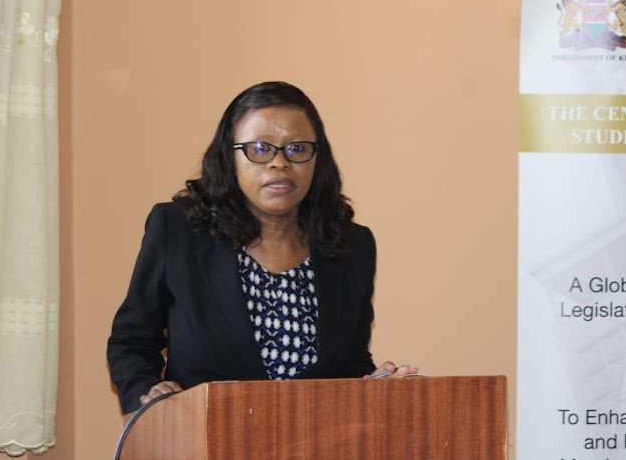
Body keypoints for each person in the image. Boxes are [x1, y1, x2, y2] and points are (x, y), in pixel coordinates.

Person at [107, 81, 417, 417]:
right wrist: (148, 395)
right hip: (202, 440)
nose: (279, 163)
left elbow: (350, 360)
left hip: (313, 442)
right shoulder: (178, 230)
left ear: (317, 158)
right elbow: (132, 341)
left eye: (297, 149)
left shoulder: (352, 245)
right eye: (259, 148)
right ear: (231, 156)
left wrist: (377, 386)